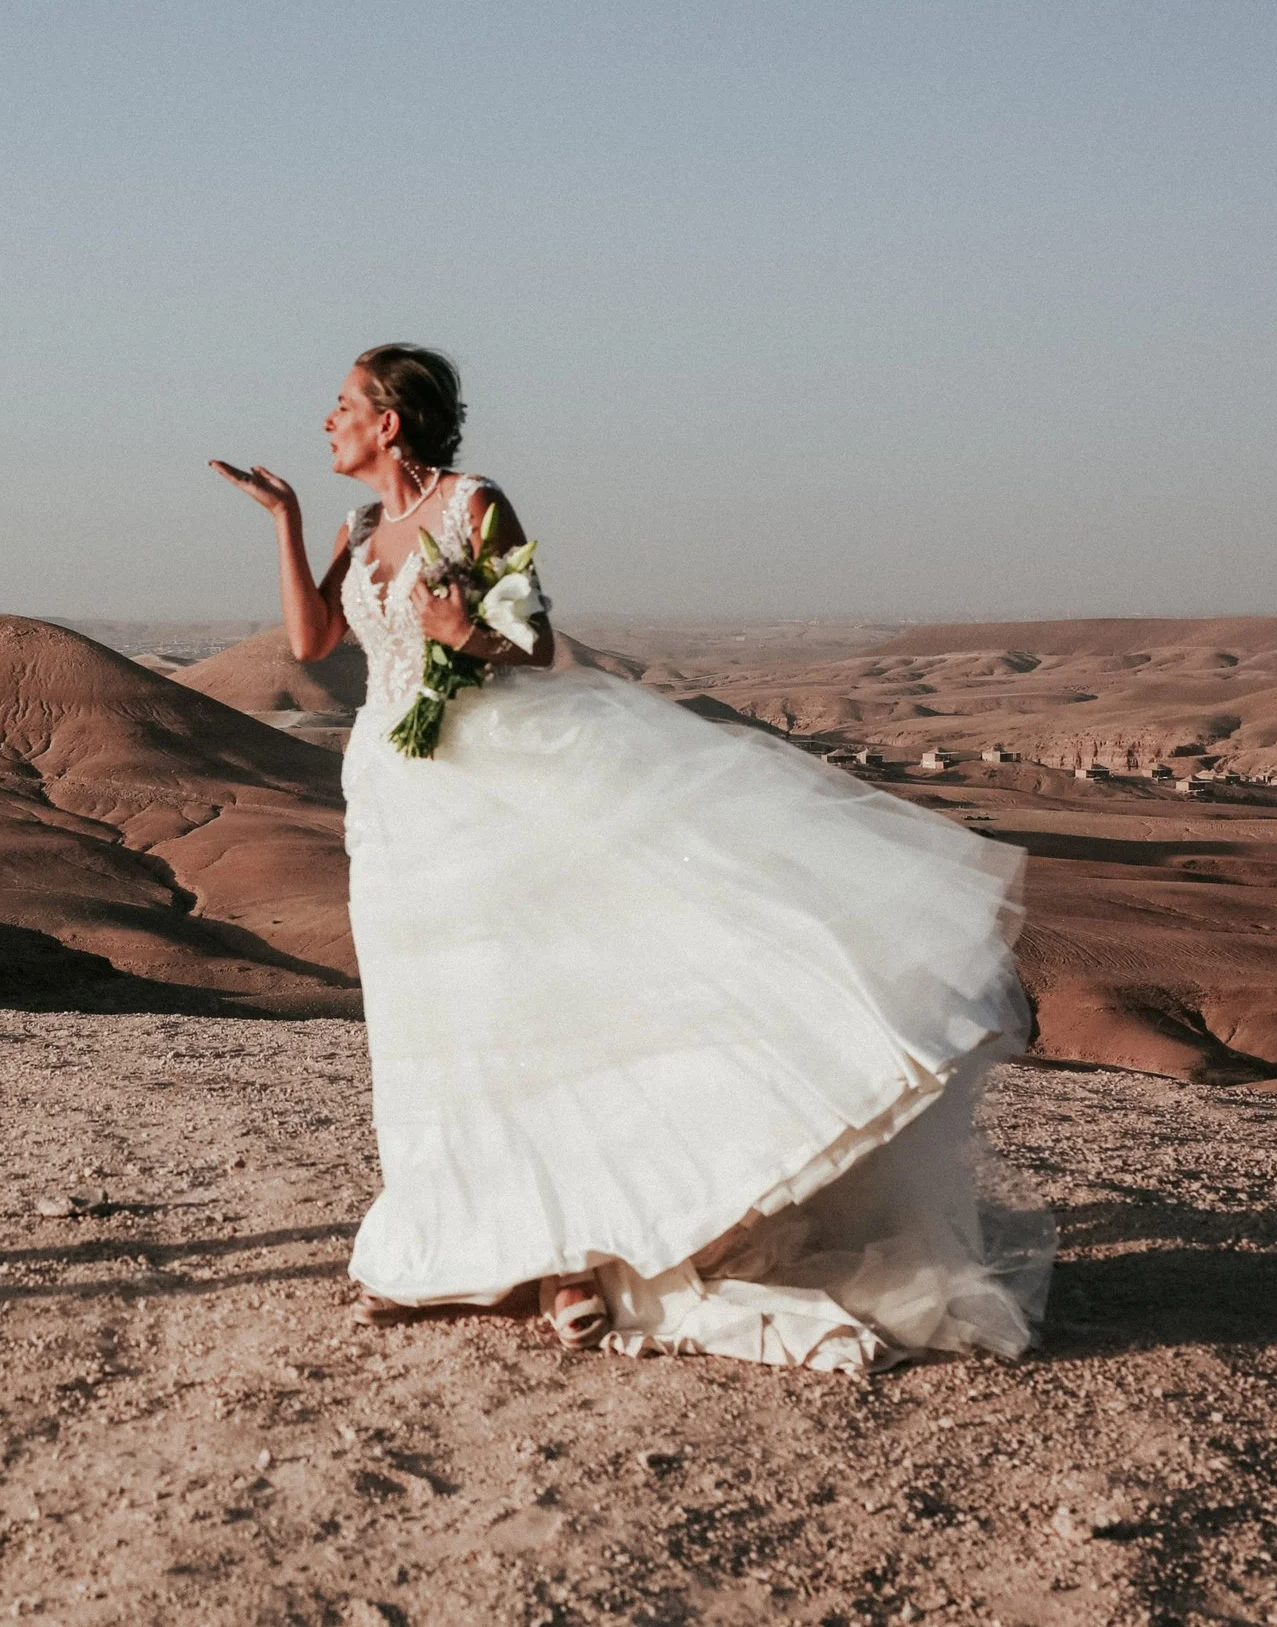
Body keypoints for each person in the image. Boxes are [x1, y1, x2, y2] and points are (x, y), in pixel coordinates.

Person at [213, 345, 1051, 1371]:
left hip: (490, 775)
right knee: (436, 1019)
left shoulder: (474, 504)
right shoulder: (357, 525)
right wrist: (286, 523)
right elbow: (308, 644)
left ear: (389, 422)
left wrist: (461, 632)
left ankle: (572, 1255)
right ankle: (469, 1246)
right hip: (394, 794)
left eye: (341, 404)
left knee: (528, 1002)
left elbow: (532, 642)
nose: (326, 419)